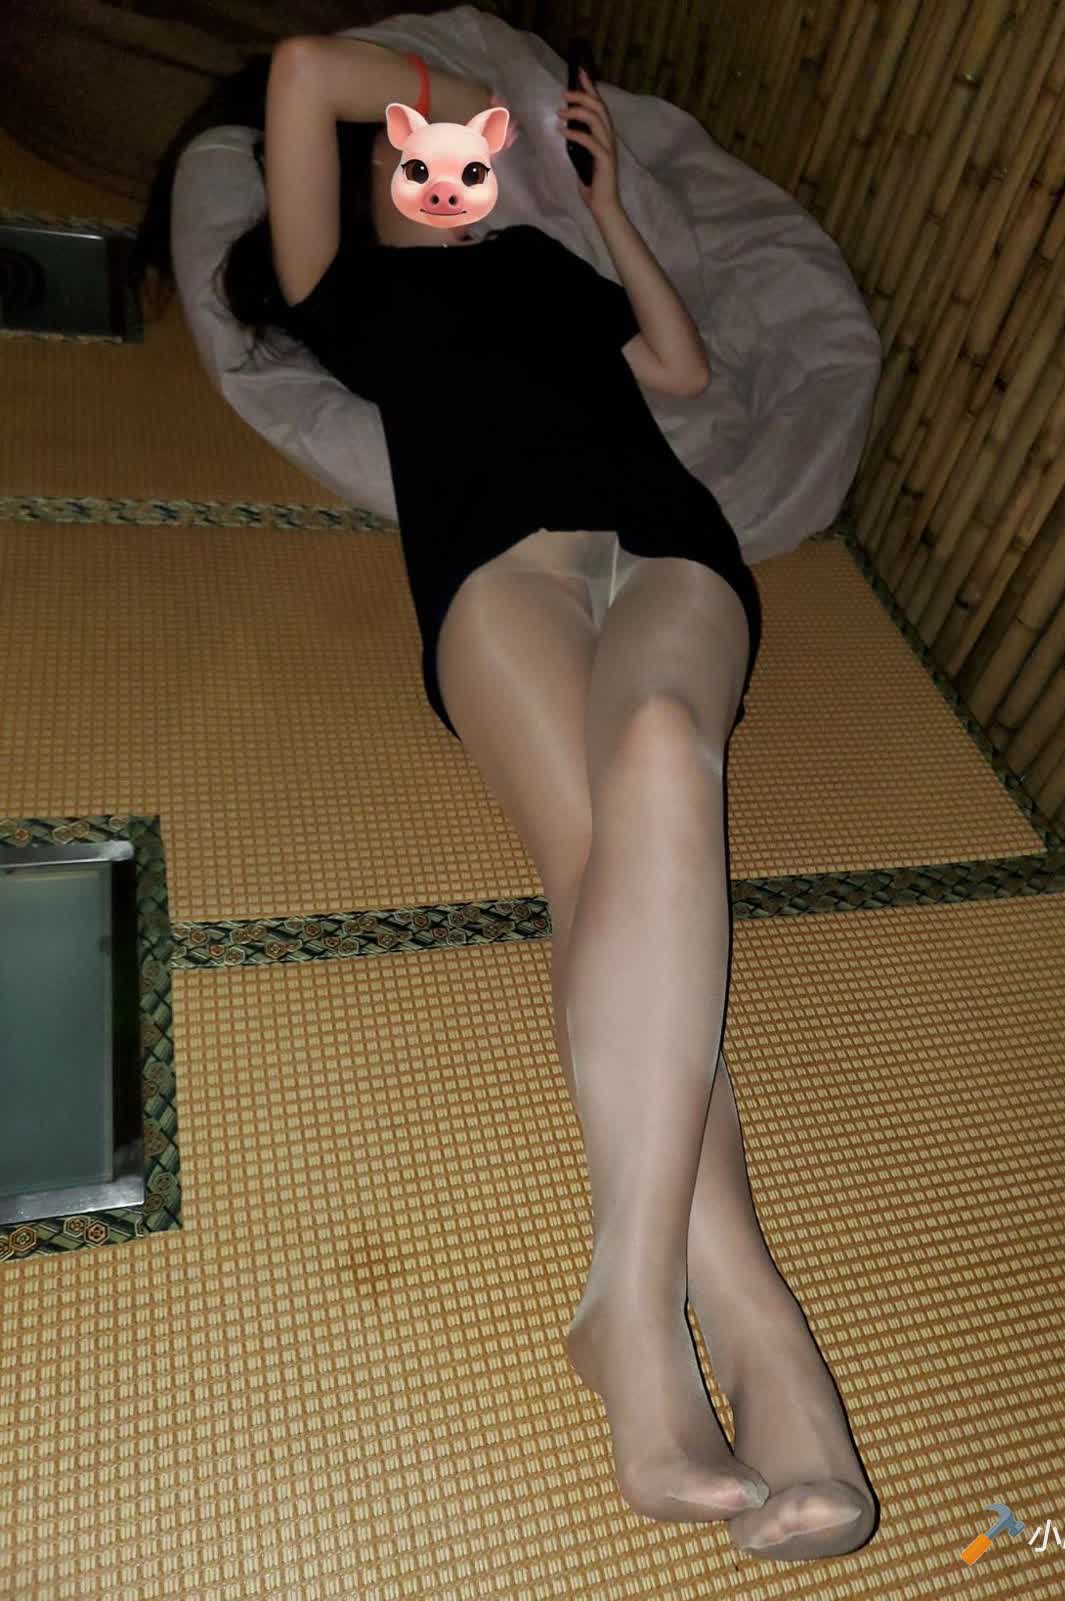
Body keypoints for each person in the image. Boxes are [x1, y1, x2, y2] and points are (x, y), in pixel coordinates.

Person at [131, 32, 878, 1563]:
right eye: (409, 156)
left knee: (664, 746)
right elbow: (302, 71)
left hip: (669, 548)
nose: (444, 172)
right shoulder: (345, 288)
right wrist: (441, 104)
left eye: (463, 162)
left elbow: (681, 373)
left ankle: (634, 1299)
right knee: (599, 861)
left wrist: (602, 208)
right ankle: (752, 1327)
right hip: (500, 572)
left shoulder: (546, 265)